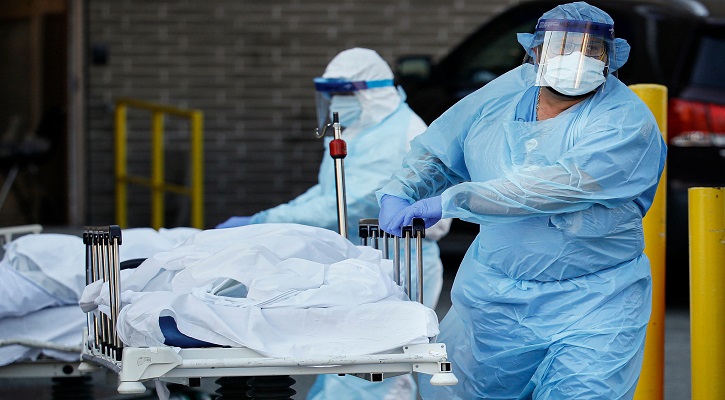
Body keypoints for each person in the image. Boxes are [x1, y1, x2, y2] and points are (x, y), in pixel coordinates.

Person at [376, 2, 667, 399]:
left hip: (596, 302)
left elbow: (551, 187)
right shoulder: (506, 93)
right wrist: (402, 190)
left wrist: (453, 201)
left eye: (590, 49)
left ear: (610, 58)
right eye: (561, 46)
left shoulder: (625, 121)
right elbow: (441, 149)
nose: (575, 57)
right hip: (495, 298)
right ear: (534, 51)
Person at [217, 47, 450, 399]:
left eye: (343, 93)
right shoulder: (361, 130)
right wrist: (272, 217)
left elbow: (349, 202)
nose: (336, 102)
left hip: (399, 259)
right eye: (331, 94)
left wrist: (264, 221)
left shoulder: (401, 135)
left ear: (370, 93)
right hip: (361, 259)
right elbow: (328, 192)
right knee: (343, 365)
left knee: (374, 372)